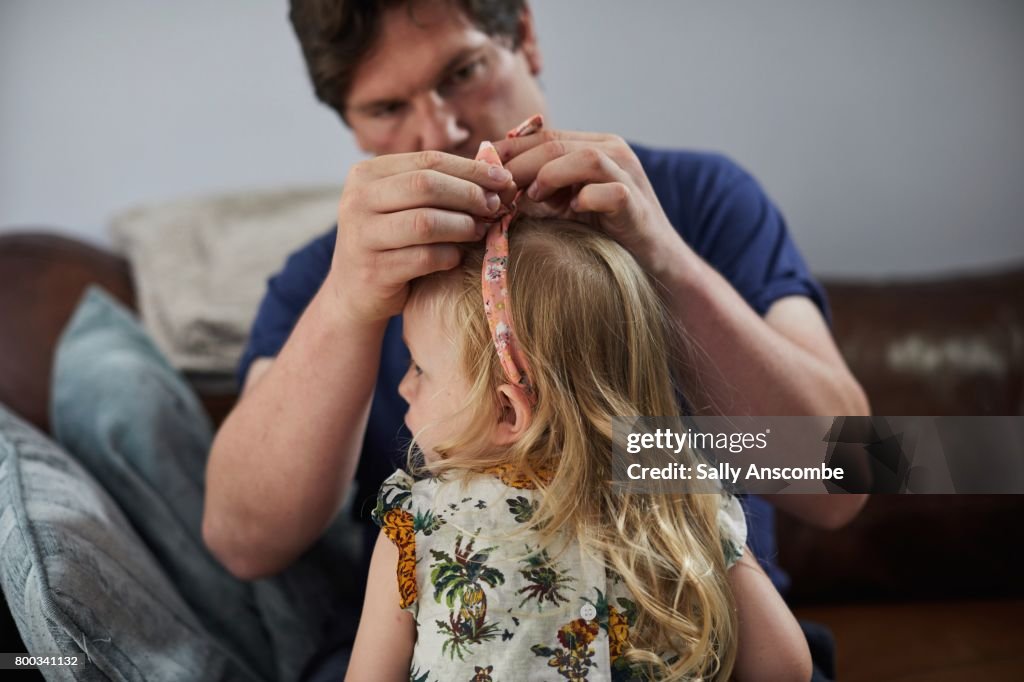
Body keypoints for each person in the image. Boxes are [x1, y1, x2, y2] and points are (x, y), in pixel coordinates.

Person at [202, 0, 869, 678]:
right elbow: (241, 543)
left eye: (463, 71)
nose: (442, 128)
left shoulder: (700, 200)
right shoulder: (327, 278)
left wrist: (664, 261)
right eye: (385, 109)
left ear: (523, 34)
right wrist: (345, 306)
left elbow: (848, 478)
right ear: (350, 123)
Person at [345, 213, 813, 681]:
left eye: (419, 368)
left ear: (509, 412)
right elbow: (785, 667)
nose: (404, 387)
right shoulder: (676, 498)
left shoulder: (418, 526)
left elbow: (862, 457)